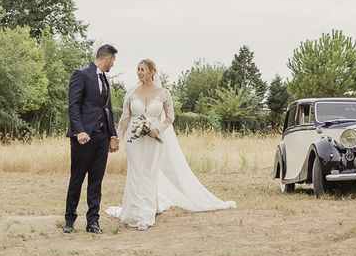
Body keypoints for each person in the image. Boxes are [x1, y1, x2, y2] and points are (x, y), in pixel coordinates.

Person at [106, 59, 235, 230]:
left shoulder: (164, 93)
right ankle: (133, 212)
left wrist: (157, 129)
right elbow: (125, 117)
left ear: (152, 71)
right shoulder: (131, 92)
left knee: (149, 173)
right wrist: (117, 137)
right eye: (137, 69)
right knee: (135, 172)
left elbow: (170, 117)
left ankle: (146, 213)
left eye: (142, 69)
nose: (139, 72)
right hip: (133, 139)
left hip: (153, 138)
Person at [64, 44, 120, 234]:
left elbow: (108, 109)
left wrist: (113, 135)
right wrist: (79, 131)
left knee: (96, 180)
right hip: (83, 138)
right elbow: (73, 105)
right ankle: (70, 219)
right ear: (107, 58)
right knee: (77, 178)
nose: (113, 64)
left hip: (102, 138)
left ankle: (93, 221)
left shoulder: (104, 79)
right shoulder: (81, 74)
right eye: (113, 60)